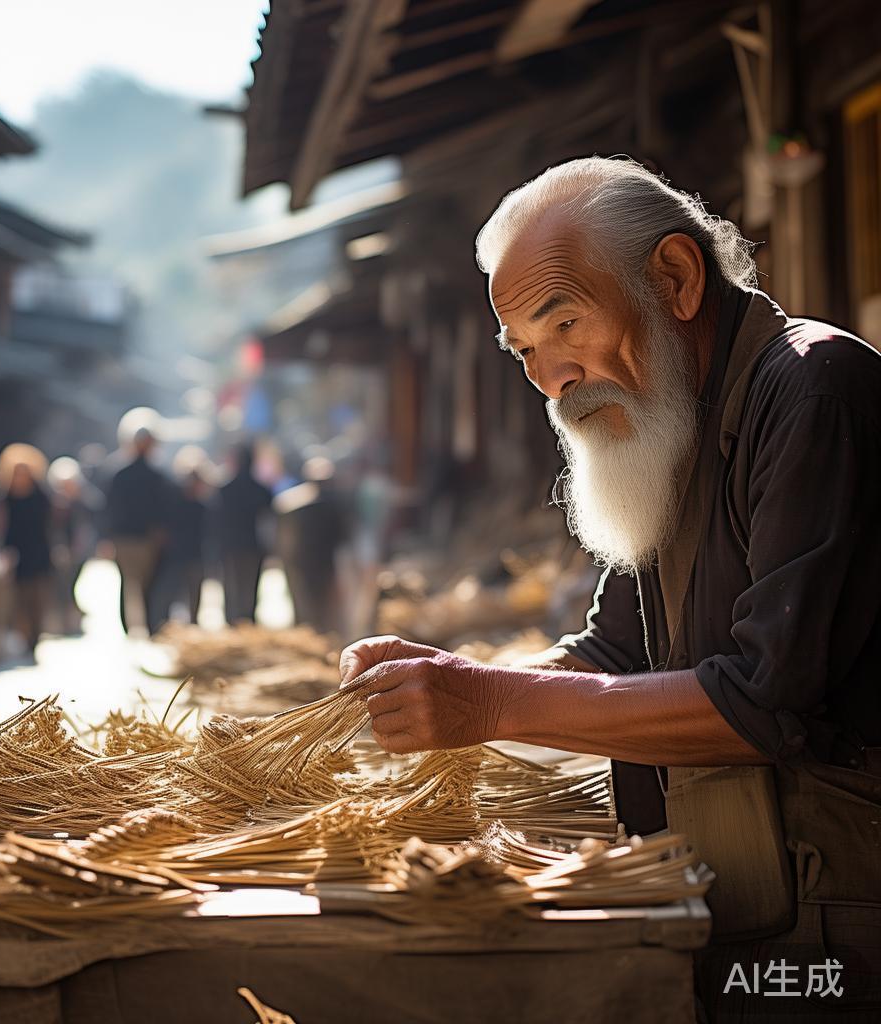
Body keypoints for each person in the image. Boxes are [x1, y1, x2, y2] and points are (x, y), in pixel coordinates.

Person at [340, 157, 881, 1019]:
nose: (552, 380)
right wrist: (438, 686)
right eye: (526, 349)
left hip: (844, 923)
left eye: (565, 321)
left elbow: (760, 703)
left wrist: (487, 705)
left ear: (674, 278)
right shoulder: (671, 419)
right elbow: (612, 654)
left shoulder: (812, 388)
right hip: (740, 896)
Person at [102, 424, 170, 636]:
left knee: (136, 584)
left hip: (136, 538)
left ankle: (138, 627)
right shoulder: (150, 475)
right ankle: (142, 627)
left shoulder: (124, 473)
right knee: (140, 585)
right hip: (134, 538)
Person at [273, 455, 346, 635]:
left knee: (312, 605)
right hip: (306, 562)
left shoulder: (292, 503)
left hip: (311, 562)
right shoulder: (295, 504)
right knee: (310, 605)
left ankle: (315, 634)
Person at [0, 443, 52, 655]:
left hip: (38, 549)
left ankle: (36, 636)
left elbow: (49, 524)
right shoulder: (5, 496)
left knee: (37, 597)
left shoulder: (41, 495)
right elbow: (1, 524)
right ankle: (24, 636)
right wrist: (3, 550)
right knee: (19, 598)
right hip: (16, 551)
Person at [149, 446, 213, 630]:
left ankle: (190, 628)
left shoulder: (205, 504)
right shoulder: (173, 499)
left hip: (194, 555)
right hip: (176, 555)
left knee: (192, 597)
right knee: (169, 596)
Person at [216, 443, 273, 625]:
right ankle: (247, 619)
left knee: (232, 585)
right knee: (250, 586)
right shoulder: (261, 490)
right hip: (252, 545)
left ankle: (234, 620)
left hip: (231, 545)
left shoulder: (225, 489)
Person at [47, 456, 103, 634]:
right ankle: (66, 620)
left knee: (71, 584)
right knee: (60, 586)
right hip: (59, 550)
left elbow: (93, 518)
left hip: (79, 550)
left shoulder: (84, 501)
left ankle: (73, 618)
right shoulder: (53, 504)